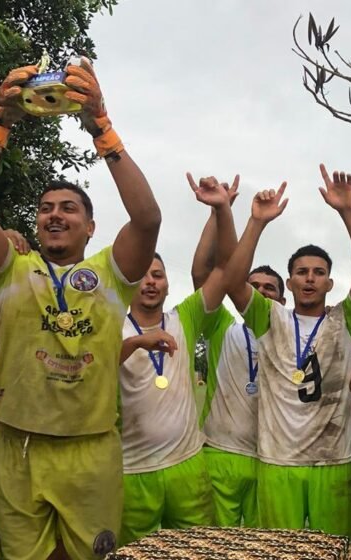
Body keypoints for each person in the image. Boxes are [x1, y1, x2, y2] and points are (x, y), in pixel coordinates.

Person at [0, 59, 161, 559]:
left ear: (90, 227)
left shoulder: (112, 275)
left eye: (69, 208)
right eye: (46, 208)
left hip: (90, 450)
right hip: (18, 448)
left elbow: (148, 217)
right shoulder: (12, 270)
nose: (54, 214)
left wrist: (102, 128)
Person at [222, 165, 351, 537]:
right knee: (281, 550)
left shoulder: (346, 320)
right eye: (301, 271)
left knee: (331, 549)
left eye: (318, 271)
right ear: (290, 281)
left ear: (329, 281)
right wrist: (256, 222)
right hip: (278, 461)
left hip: (332, 461)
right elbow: (232, 281)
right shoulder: (269, 317)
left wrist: (348, 212)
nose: (309, 278)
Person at [117, 176, 236, 544]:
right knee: (135, 554)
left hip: (187, 464)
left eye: (158, 274)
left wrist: (221, 211)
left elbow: (224, 270)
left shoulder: (185, 317)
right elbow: (93, 367)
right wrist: (137, 341)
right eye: (141, 276)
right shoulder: (110, 324)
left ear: (168, 283)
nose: (150, 282)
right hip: (130, 470)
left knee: (199, 550)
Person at [191, 176, 285, 528]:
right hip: (221, 452)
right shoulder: (223, 326)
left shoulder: (290, 334)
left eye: (270, 289)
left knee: (265, 547)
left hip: (272, 457)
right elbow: (205, 273)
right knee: (216, 546)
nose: (261, 294)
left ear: (281, 299)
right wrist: (219, 212)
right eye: (254, 286)